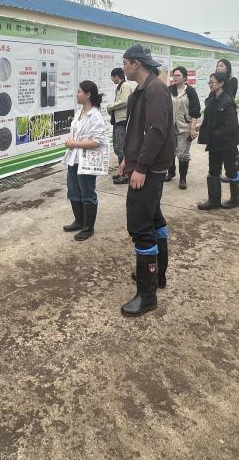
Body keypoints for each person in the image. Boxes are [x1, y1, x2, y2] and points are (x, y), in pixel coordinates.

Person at [118, 44, 174, 317]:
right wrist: (127, 159)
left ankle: (147, 296)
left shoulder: (156, 90)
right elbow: (135, 131)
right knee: (153, 218)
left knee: (140, 226)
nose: (123, 68)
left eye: (125, 63)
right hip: (142, 165)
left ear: (136, 64)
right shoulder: (140, 91)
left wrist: (140, 167)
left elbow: (156, 132)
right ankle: (156, 275)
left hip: (149, 169)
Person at [62, 81, 109, 241]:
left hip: (87, 161)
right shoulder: (79, 112)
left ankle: (88, 228)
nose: (77, 94)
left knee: (87, 193)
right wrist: (70, 141)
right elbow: (74, 132)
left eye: (79, 91)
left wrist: (74, 144)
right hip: (74, 158)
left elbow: (97, 141)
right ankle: (79, 221)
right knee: (73, 191)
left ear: (88, 95)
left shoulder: (95, 116)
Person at [197, 72, 239, 211]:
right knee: (213, 171)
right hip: (214, 143)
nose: (210, 85)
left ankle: (235, 199)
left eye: (212, 82)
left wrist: (216, 134)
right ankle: (214, 201)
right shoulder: (211, 99)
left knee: (231, 172)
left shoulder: (228, 101)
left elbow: (231, 126)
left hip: (228, 143)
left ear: (221, 83)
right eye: (209, 82)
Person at [165, 67, 201, 190]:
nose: (175, 77)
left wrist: (193, 128)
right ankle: (171, 172)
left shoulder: (190, 91)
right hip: (170, 127)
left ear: (185, 77)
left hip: (185, 127)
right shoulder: (169, 90)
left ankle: (183, 178)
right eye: (174, 75)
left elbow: (195, 111)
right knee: (169, 152)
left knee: (182, 154)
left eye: (178, 75)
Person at [107, 68, 136, 185]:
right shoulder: (120, 86)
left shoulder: (125, 85)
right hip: (118, 121)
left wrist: (110, 106)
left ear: (116, 76)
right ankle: (121, 172)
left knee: (121, 149)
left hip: (123, 121)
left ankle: (125, 175)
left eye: (112, 77)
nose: (111, 79)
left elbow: (125, 101)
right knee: (118, 148)